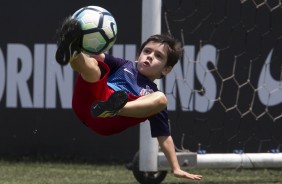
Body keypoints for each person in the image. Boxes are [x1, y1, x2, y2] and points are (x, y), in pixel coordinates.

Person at [55, 17, 203, 181]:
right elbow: (95, 57)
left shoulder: (152, 95)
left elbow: (164, 135)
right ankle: (71, 51)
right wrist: (81, 42)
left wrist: (175, 168)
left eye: (158, 56)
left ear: (166, 69)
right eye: (147, 51)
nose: (150, 56)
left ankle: (114, 108)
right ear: (138, 55)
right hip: (89, 103)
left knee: (161, 99)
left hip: (108, 120)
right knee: (93, 68)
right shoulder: (123, 65)